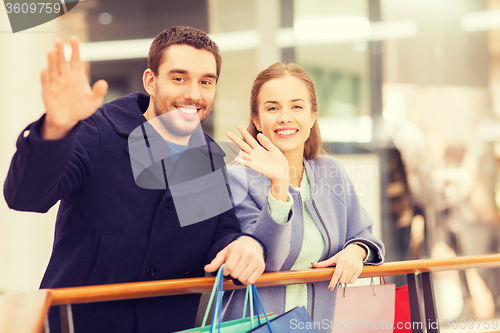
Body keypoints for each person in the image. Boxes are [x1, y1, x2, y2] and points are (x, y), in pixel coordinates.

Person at [3, 26, 265, 333]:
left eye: (206, 82)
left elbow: (217, 234)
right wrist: (56, 130)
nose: (193, 94)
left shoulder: (204, 156)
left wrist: (245, 243)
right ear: (151, 82)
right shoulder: (97, 132)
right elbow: (26, 196)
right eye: (178, 78)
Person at [222, 62, 384, 332]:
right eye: (273, 108)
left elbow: (366, 236)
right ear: (257, 119)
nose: (285, 117)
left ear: (312, 116)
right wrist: (279, 182)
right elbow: (270, 259)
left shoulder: (330, 171)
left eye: (296, 106)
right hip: (259, 326)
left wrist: (355, 252)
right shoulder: (237, 179)